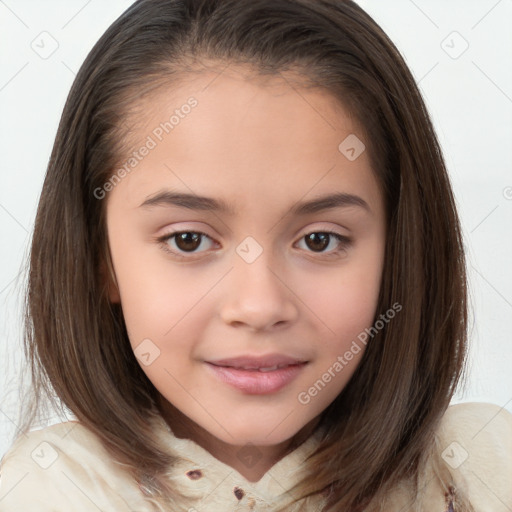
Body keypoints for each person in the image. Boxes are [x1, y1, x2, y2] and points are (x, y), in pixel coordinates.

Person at [0, 0, 510, 510]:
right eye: (189, 240)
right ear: (100, 259)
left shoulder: (485, 473)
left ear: (398, 252)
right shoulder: (39, 494)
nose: (260, 306)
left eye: (319, 239)